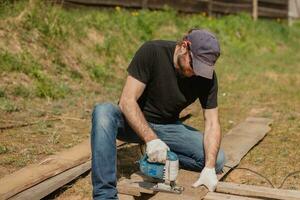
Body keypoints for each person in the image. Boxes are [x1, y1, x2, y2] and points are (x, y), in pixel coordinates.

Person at [91, 28, 226, 200]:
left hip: (167, 127)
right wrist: (151, 139)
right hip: (132, 122)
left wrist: (209, 167)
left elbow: (212, 123)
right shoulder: (153, 52)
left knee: (218, 159)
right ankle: (105, 195)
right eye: (194, 65)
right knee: (103, 112)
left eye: (202, 69)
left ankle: (156, 157)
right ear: (185, 46)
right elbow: (127, 101)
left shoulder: (206, 77)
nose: (196, 72)